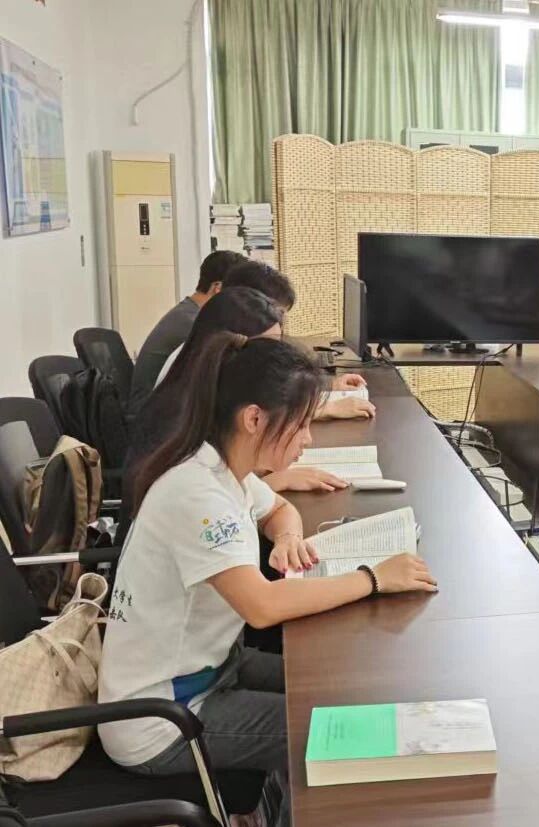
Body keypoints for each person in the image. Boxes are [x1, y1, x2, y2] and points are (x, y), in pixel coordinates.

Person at [99, 334, 437, 827]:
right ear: (254, 419)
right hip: (162, 717)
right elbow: (262, 606)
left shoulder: (219, 468)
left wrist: (287, 539)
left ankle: (273, 804)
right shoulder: (198, 495)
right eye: (299, 426)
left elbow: (278, 508)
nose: (308, 439)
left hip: (212, 669)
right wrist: (372, 577)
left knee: (336, 690)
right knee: (329, 736)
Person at [130, 288, 367, 496]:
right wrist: (274, 481)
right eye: (265, 346)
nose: (274, 358)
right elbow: (206, 491)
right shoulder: (181, 408)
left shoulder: (208, 381)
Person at [128, 250, 246, 416]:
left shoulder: (189, 313)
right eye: (239, 294)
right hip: (152, 416)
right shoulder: (193, 323)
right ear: (217, 288)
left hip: (158, 408)